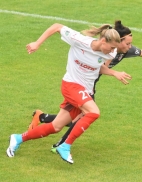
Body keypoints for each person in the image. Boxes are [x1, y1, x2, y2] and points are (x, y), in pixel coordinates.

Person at [27, 20, 142, 153]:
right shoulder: (108, 51)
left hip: (88, 85)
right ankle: (61, 144)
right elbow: (101, 67)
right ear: (117, 41)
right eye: (127, 43)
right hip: (81, 84)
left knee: (76, 118)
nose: (130, 47)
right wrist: (114, 73)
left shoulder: (123, 50)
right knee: (85, 115)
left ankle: (43, 118)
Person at [6, 21, 132, 164]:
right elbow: (56, 26)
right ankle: (65, 146)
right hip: (71, 85)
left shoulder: (111, 51)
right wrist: (37, 43)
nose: (112, 52)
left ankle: (18, 138)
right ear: (103, 41)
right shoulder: (80, 40)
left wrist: (114, 73)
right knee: (93, 112)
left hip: (85, 91)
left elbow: (98, 67)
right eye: (111, 47)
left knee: (55, 127)